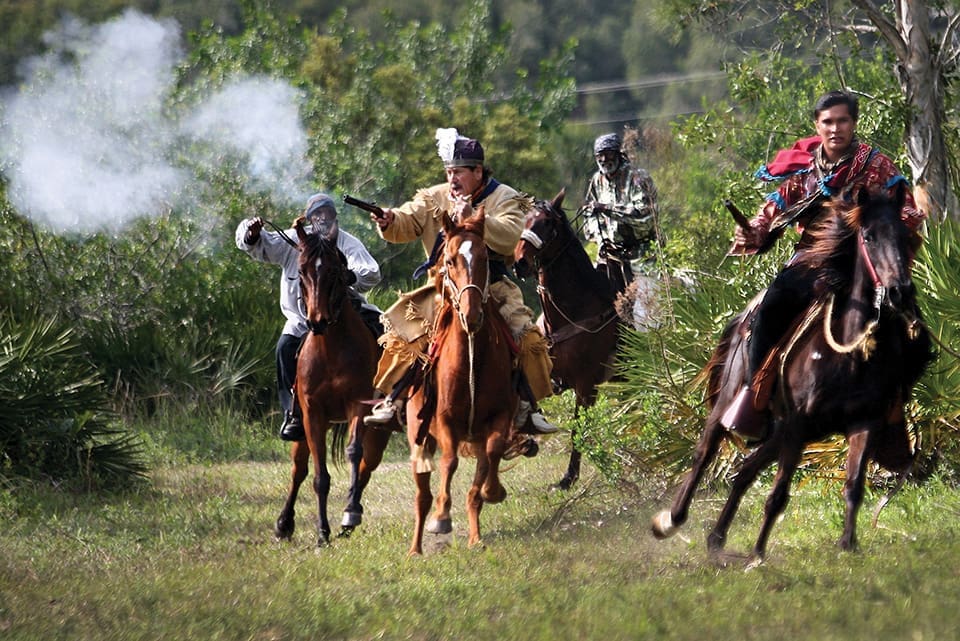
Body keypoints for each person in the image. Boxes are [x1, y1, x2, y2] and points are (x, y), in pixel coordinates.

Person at [721, 90, 927, 435]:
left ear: (854, 124)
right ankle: (758, 399)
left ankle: (893, 417)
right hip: (810, 260)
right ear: (817, 125)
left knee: (908, 323)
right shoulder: (803, 170)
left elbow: (901, 209)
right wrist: (753, 232)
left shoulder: (876, 166)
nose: (835, 129)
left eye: (842, 121)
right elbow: (769, 215)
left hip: (864, 263)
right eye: (828, 122)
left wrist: (903, 218)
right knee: (769, 309)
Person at [362, 128, 557, 435]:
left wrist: (478, 217)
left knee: (528, 337)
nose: (452, 179)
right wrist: (389, 220)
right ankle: (394, 402)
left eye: (459, 172)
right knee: (403, 334)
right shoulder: (434, 197)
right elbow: (407, 221)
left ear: (478, 172)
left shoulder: (504, 197)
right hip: (440, 288)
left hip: (492, 288)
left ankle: (526, 407)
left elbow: (509, 238)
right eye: (449, 172)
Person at [235, 193, 382, 441]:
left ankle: (386, 398)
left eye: (327, 213)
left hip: (344, 315)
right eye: (317, 214)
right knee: (284, 348)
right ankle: (292, 413)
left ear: (335, 216)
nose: (323, 218)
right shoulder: (292, 242)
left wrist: (349, 277)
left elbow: (371, 272)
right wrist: (252, 233)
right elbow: (259, 245)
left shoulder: (348, 243)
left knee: (384, 332)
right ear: (309, 219)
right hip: (301, 320)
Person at [581, 132, 660, 293]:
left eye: (608, 154)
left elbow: (645, 218)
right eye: (599, 156)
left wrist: (606, 208)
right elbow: (589, 217)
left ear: (618, 154)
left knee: (644, 310)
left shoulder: (637, 177)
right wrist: (598, 236)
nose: (604, 160)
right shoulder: (597, 180)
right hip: (611, 257)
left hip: (642, 255)